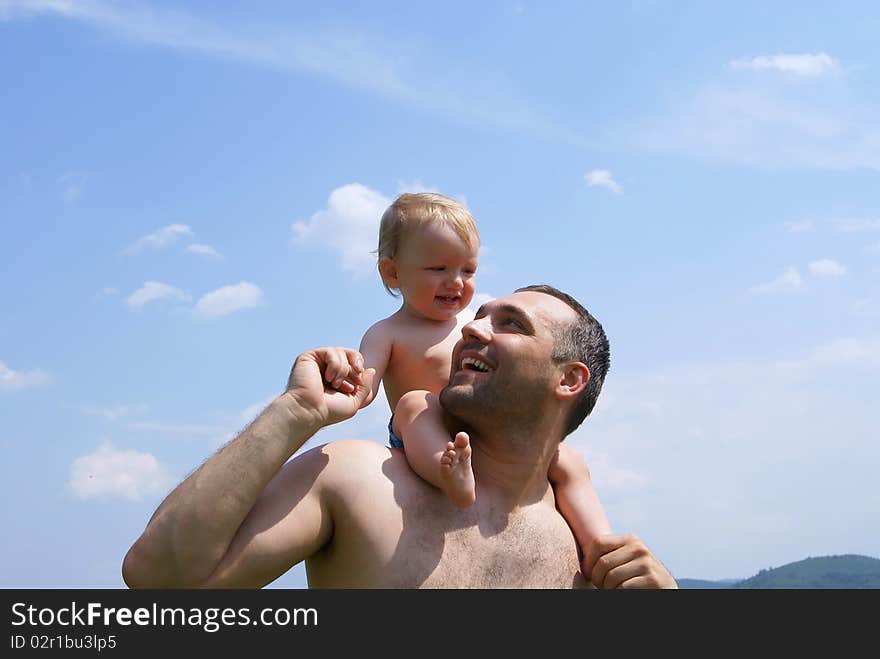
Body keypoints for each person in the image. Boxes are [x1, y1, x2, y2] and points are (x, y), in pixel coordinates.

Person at [122, 284, 677, 589]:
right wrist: (294, 413)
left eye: (510, 324)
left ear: (568, 378)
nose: (472, 328)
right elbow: (159, 583)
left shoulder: (591, 562)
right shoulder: (357, 480)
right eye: (479, 317)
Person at [357, 192, 611, 557]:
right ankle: (448, 475)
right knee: (416, 403)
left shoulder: (473, 322)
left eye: (468, 270)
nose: (456, 282)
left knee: (568, 459)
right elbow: (364, 388)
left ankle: (600, 547)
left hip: (485, 436)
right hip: (426, 437)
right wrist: (345, 373)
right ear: (393, 272)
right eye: (438, 269)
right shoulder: (388, 332)